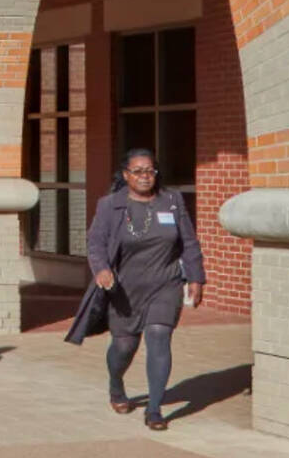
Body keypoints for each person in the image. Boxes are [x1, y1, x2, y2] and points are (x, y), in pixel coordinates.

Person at [87, 147, 206, 430]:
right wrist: (101, 269)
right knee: (124, 346)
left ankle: (154, 409)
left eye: (150, 170)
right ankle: (116, 386)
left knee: (159, 336)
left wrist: (196, 277)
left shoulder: (172, 201)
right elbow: (96, 243)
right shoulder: (110, 205)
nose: (145, 176)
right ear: (126, 174)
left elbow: (189, 243)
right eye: (138, 171)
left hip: (165, 284)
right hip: (125, 291)